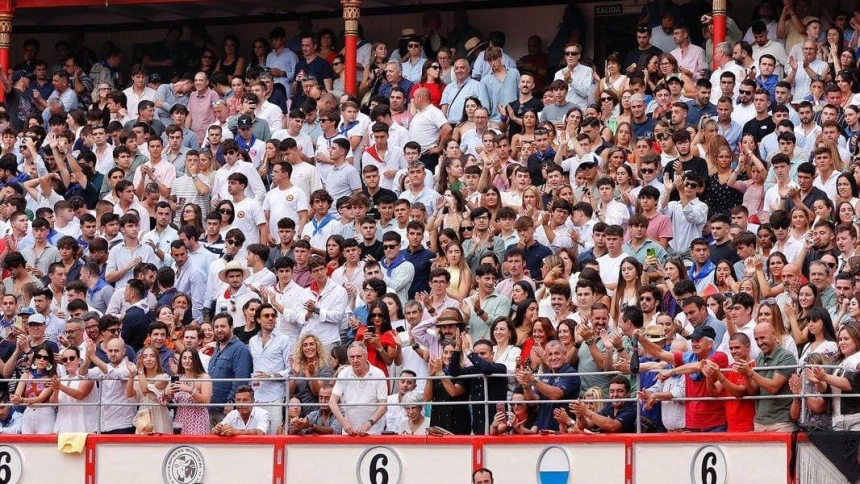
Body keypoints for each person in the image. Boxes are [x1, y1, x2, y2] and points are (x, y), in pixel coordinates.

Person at [516, 340, 580, 431]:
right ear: (546, 356)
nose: (553, 357)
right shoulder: (545, 375)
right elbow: (532, 401)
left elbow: (556, 394)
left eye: (557, 353)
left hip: (563, 432)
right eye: (550, 354)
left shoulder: (570, 373)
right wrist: (526, 385)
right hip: (543, 430)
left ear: (565, 354)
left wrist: (533, 381)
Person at [329, 342, 388, 435]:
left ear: (366, 356)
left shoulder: (378, 374)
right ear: (348, 358)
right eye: (352, 357)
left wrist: (368, 424)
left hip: (373, 432)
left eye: (358, 356)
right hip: (349, 432)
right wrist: (344, 423)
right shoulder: (343, 373)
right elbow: (332, 401)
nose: (355, 360)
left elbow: (384, 406)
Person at [207, 312, 252, 426]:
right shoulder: (217, 347)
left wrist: (231, 401)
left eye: (223, 326)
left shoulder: (240, 349)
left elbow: (241, 378)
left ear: (231, 327)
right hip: (211, 406)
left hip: (227, 409)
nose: (219, 330)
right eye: (216, 327)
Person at [571, 375, 637, 433]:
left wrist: (586, 411)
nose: (615, 395)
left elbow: (614, 426)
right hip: (608, 446)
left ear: (628, 393)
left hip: (625, 445)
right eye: (612, 391)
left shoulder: (632, 408)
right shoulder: (609, 406)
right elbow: (586, 425)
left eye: (620, 391)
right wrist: (580, 415)